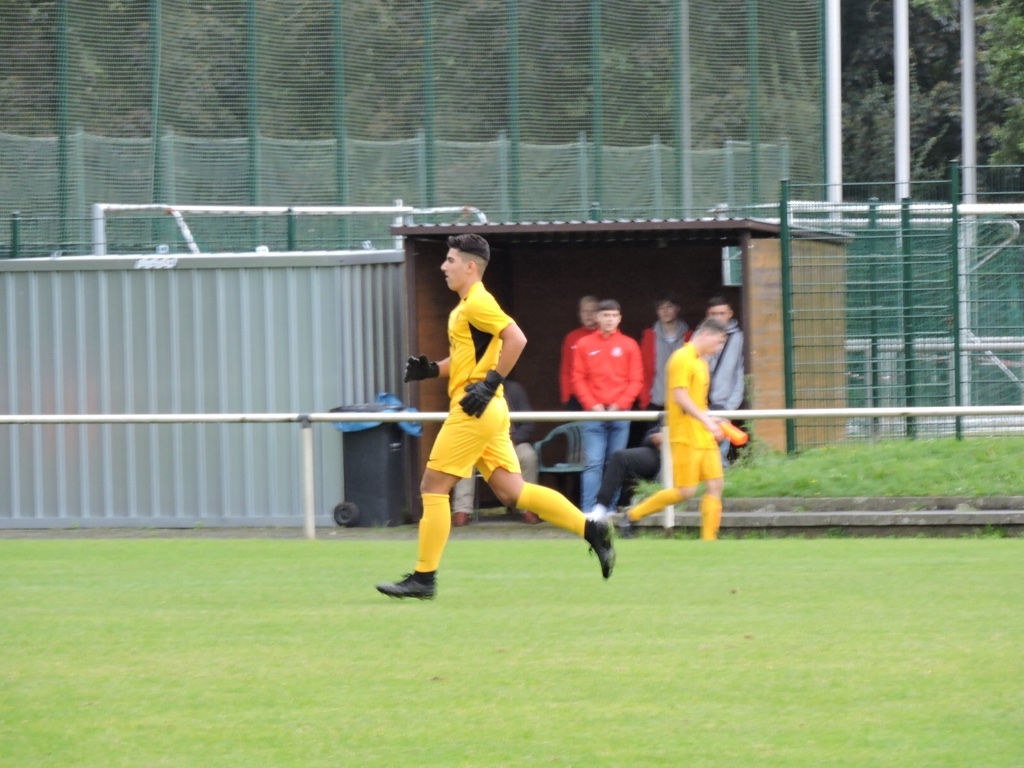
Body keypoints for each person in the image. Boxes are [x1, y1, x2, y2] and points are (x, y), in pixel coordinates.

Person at [377, 234, 614, 600]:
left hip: (474, 409)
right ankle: (591, 529)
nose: (443, 266)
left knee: (432, 487)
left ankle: (424, 578)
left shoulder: (478, 302)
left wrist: (489, 384)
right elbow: (467, 358)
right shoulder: (466, 306)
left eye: (450, 260)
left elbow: (517, 339)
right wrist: (432, 370)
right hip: (490, 410)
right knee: (512, 491)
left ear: (470, 267)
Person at [618, 318, 729, 541]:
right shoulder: (681, 358)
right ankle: (631, 516)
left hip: (702, 434)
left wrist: (711, 419)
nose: (719, 348)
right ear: (705, 335)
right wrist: (706, 421)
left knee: (716, 484)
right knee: (686, 491)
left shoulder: (701, 363)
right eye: (718, 342)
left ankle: (710, 540)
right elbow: (680, 396)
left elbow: (697, 402)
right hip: (685, 435)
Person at [571, 298, 643, 514]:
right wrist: (593, 405)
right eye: (605, 315)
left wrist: (619, 405)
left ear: (619, 318)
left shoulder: (629, 345)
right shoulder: (584, 344)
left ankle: (608, 510)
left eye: (614, 315)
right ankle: (588, 511)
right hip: (593, 414)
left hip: (620, 414)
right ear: (598, 318)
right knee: (593, 463)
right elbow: (578, 378)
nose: (610, 319)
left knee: (615, 463)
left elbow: (636, 380)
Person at [450, 378, 540, 526]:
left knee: (528, 455)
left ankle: (528, 508)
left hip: (510, 443)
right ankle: (462, 510)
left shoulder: (515, 390)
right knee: (464, 459)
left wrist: (513, 442)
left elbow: (528, 424)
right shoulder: (470, 390)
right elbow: (461, 424)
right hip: (478, 444)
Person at [633, 292, 690, 447]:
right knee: (654, 445)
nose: (664, 311)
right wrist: (645, 400)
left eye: (669, 306)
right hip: (656, 401)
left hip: (682, 403)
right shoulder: (649, 336)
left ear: (677, 308)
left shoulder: (689, 336)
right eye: (660, 308)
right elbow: (643, 369)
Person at [586, 422, 663, 521]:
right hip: (659, 453)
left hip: (679, 456)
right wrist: (653, 438)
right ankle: (600, 509)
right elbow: (647, 438)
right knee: (620, 457)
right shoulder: (672, 415)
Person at [705, 296, 745, 467]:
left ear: (730, 313)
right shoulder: (700, 336)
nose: (718, 317)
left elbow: (740, 374)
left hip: (724, 404)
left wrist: (730, 406)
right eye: (713, 314)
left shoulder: (739, 338)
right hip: (701, 404)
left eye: (722, 313)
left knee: (720, 451)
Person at [558, 295, 599, 409]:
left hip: (599, 396)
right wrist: (566, 397)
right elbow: (566, 370)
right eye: (585, 311)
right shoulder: (571, 337)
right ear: (579, 314)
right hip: (575, 397)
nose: (589, 315)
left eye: (592, 311)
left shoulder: (605, 336)